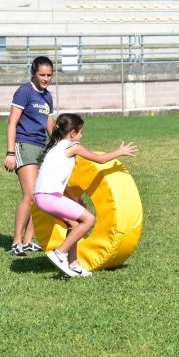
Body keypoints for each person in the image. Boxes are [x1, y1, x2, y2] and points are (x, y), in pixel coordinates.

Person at [34, 113, 138, 277]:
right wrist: (120, 151)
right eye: (81, 132)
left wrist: (73, 197)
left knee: (75, 224)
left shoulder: (55, 146)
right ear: (72, 133)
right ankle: (60, 253)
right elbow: (101, 159)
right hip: (49, 197)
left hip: (41, 197)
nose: (81, 136)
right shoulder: (72, 147)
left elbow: (58, 178)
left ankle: (74, 264)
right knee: (89, 219)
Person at [4, 56, 55, 256]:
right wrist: (10, 152)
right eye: (42, 74)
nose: (46, 78)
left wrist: (59, 146)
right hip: (24, 145)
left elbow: (50, 126)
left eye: (49, 75)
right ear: (34, 73)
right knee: (30, 195)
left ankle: (28, 241)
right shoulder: (24, 92)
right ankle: (16, 243)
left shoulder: (47, 96)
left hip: (41, 148)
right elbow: (12, 123)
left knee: (40, 196)